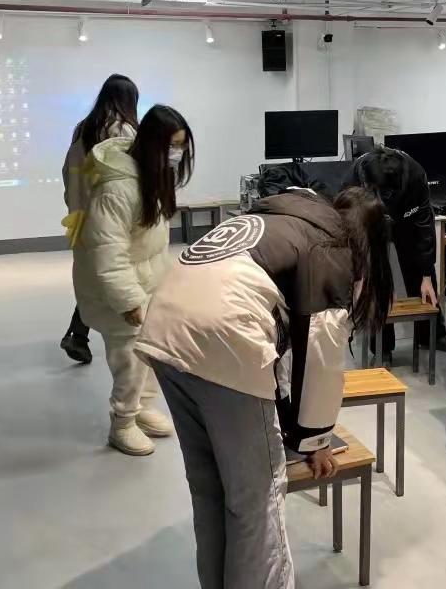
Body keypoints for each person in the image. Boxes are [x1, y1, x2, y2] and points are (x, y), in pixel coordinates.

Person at [134, 187, 393, 589]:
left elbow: (283, 354)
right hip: (222, 336)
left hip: (166, 327)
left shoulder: (286, 216)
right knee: (257, 502)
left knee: (210, 491)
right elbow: (321, 359)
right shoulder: (331, 249)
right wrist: (316, 440)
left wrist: (292, 425)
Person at [73, 104, 195, 455]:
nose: (177, 153)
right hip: (116, 287)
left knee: (151, 350)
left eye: (181, 146)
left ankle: (141, 408)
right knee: (128, 359)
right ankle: (122, 423)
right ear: (153, 144)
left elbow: (150, 244)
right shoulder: (116, 190)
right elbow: (108, 253)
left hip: (147, 278)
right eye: (172, 145)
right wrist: (127, 300)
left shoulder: (153, 176)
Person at [60, 74, 141, 364]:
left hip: (80, 215)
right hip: (112, 216)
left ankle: (77, 334)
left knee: (92, 275)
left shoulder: (83, 129)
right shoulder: (123, 130)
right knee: (117, 274)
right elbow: (132, 177)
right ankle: (105, 334)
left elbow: (67, 173)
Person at [345, 146, 446, 365]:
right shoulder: (354, 178)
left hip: (406, 221)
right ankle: (382, 348)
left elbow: (425, 228)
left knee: (420, 271)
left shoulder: (415, 177)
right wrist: (360, 277)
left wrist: (426, 275)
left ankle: (431, 335)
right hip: (370, 226)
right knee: (376, 281)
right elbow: (351, 234)